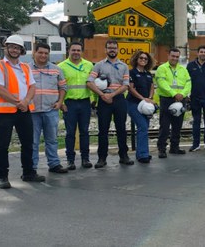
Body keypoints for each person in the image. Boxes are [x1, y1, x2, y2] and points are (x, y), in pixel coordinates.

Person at [0, 35, 43, 189]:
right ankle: (3, 177)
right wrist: (18, 102)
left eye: (17, 48)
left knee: (28, 143)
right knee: (3, 145)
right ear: (5, 48)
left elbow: (32, 86)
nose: (14, 50)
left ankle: (28, 173)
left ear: (21, 50)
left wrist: (26, 101)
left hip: (24, 110)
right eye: (11, 47)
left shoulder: (25, 67)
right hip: (5, 111)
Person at [87, 39, 132, 168]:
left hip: (118, 99)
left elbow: (125, 85)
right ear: (105, 50)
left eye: (114, 48)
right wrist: (103, 95)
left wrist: (111, 95)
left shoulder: (124, 66)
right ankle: (102, 158)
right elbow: (90, 82)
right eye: (109, 48)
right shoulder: (99, 65)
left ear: (117, 50)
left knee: (121, 129)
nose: (112, 50)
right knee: (103, 130)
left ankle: (124, 156)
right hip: (103, 100)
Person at [29, 42, 68, 174]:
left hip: (51, 110)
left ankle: (54, 164)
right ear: (34, 53)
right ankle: (32, 167)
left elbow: (63, 87)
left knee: (52, 140)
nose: (43, 55)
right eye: (40, 52)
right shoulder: (25, 69)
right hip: (32, 112)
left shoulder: (56, 69)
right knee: (32, 142)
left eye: (46, 53)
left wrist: (60, 102)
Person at [58, 42, 94, 170]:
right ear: (69, 51)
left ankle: (85, 158)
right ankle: (70, 160)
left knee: (85, 131)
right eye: (74, 50)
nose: (76, 52)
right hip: (70, 103)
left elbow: (93, 83)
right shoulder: (61, 66)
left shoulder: (88, 65)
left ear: (82, 51)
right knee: (70, 133)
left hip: (85, 102)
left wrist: (94, 100)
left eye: (78, 50)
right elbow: (58, 86)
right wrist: (60, 103)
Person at [155, 48, 192, 158]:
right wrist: (173, 94)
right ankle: (162, 149)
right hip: (167, 99)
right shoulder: (162, 68)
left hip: (180, 99)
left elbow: (188, 83)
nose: (175, 58)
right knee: (165, 126)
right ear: (168, 56)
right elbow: (161, 83)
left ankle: (174, 147)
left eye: (177, 57)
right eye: (173, 56)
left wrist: (182, 94)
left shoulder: (183, 69)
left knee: (177, 125)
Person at [127, 50, 155, 163]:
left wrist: (150, 98)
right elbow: (131, 88)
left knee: (144, 128)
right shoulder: (132, 73)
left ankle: (142, 153)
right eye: (141, 58)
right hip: (133, 103)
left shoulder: (148, 74)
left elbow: (152, 87)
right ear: (136, 59)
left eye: (145, 59)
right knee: (142, 126)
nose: (143, 60)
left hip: (146, 104)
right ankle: (143, 155)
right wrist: (143, 99)